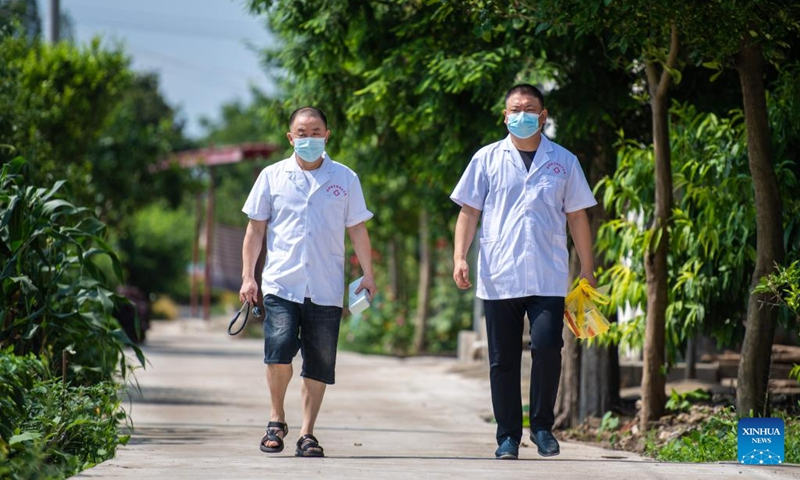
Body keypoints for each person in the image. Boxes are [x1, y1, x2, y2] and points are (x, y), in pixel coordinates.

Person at [450, 84, 597, 460]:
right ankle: (508, 437)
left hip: (548, 274)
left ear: (543, 116)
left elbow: (577, 215)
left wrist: (588, 268)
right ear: (504, 116)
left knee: (548, 347)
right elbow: (468, 211)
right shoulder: (486, 158)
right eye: (514, 110)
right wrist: (460, 257)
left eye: (529, 109)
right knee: (503, 359)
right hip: (500, 274)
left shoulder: (563, 161)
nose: (521, 115)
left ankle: (543, 427)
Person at [239, 106, 376, 458]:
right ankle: (276, 419)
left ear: (327, 135)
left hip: (326, 286)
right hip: (281, 284)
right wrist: (248, 277)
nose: (309, 138)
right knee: (279, 349)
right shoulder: (272, 176)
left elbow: (357, 228)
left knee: (319, 362)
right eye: (302, 132)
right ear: (290, 137)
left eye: (316, 132)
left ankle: (307, 433)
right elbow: (256, 229)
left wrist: (368, 274)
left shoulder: (345, 178)